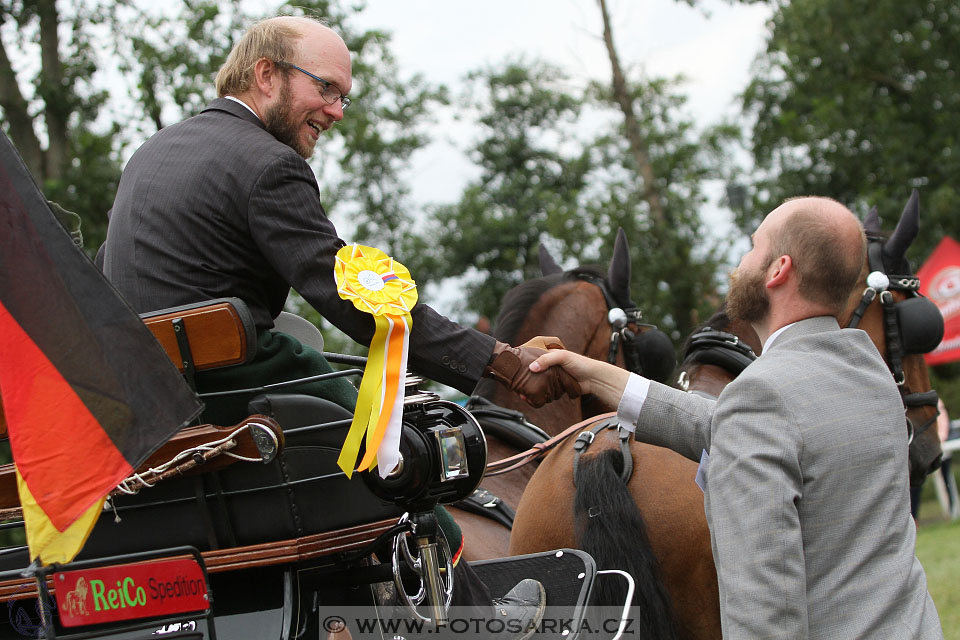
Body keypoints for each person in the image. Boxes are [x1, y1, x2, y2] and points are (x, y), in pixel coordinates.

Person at [99, 15, 575, 638]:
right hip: (230, 397)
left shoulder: (153, 152)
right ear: (266, 75)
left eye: (343, 96)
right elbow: (358, 306)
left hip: (139, 418)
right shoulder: (267, 164)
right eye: (325, 88)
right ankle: (477, 609)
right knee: (397, 447)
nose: (337, 110)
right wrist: (501, 361)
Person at [528, 197, 943, 638]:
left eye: (752, 248)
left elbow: (767, 615)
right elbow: (739, 426)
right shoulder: (869, 375)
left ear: (778, 269)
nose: (740, 263)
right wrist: (594, 375)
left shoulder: (760, 399)